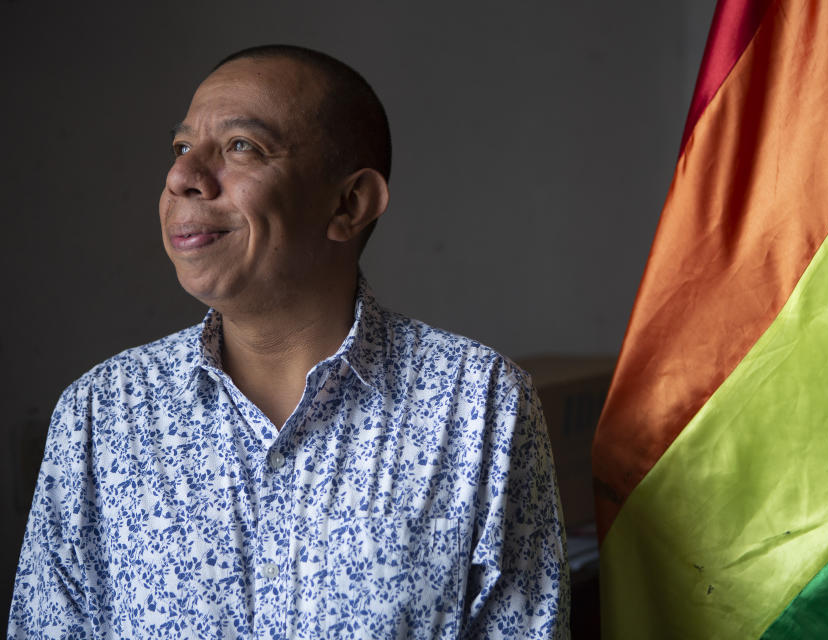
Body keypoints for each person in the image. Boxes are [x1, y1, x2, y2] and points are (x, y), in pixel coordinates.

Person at [9, 45, 569, 639]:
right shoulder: (101, 414)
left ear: (349, 204)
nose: (182, 177)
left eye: (240, 147)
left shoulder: (480, 404)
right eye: (181, 149)